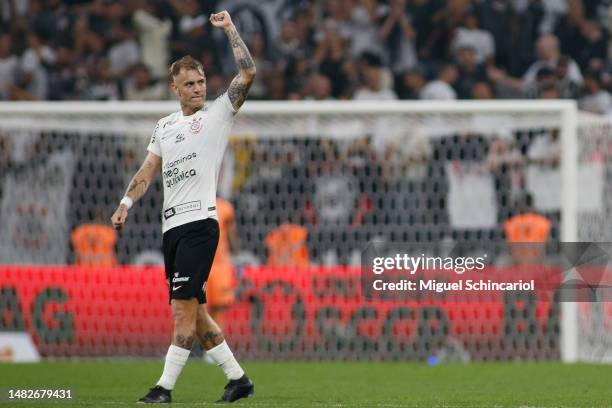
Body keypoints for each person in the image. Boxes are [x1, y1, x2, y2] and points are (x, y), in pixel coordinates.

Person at [110, 10, 256, 404]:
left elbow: (246, 75)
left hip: (200, 225)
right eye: (189, 83)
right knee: (198, 314)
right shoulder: (164, 126)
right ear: (175, 88)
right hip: (171, 229)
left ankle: (163, 388)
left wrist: (229, 29)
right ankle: (238, 379)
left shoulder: (218, 116)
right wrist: (126, 202)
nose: (197, 88)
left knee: (181, 311)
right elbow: (147, 170)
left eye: (201, 81)